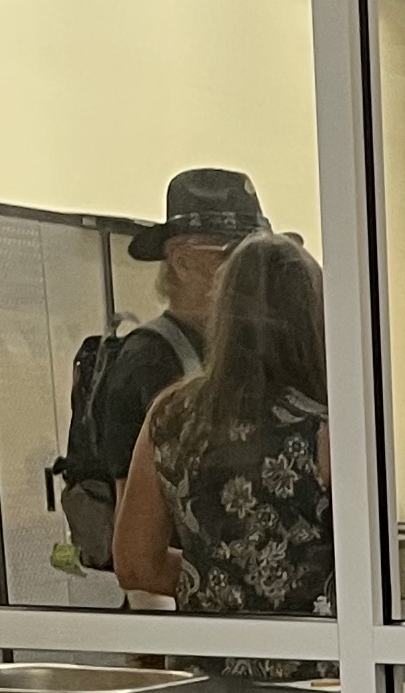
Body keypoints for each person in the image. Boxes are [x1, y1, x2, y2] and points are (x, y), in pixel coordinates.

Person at [115, 232, 333, 655]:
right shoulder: (325, 426)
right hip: (314, 675)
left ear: (224, 313)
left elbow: (136, 564)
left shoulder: (170, 415)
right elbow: (365, 574)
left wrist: (221, 575)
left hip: (208, 672)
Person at [60, 166, 270, 574]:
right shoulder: (147, 364)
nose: (254, 273)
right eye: (235, 256)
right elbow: (136, 547)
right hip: (188, 610)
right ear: (183, 261)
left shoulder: (241, 351)